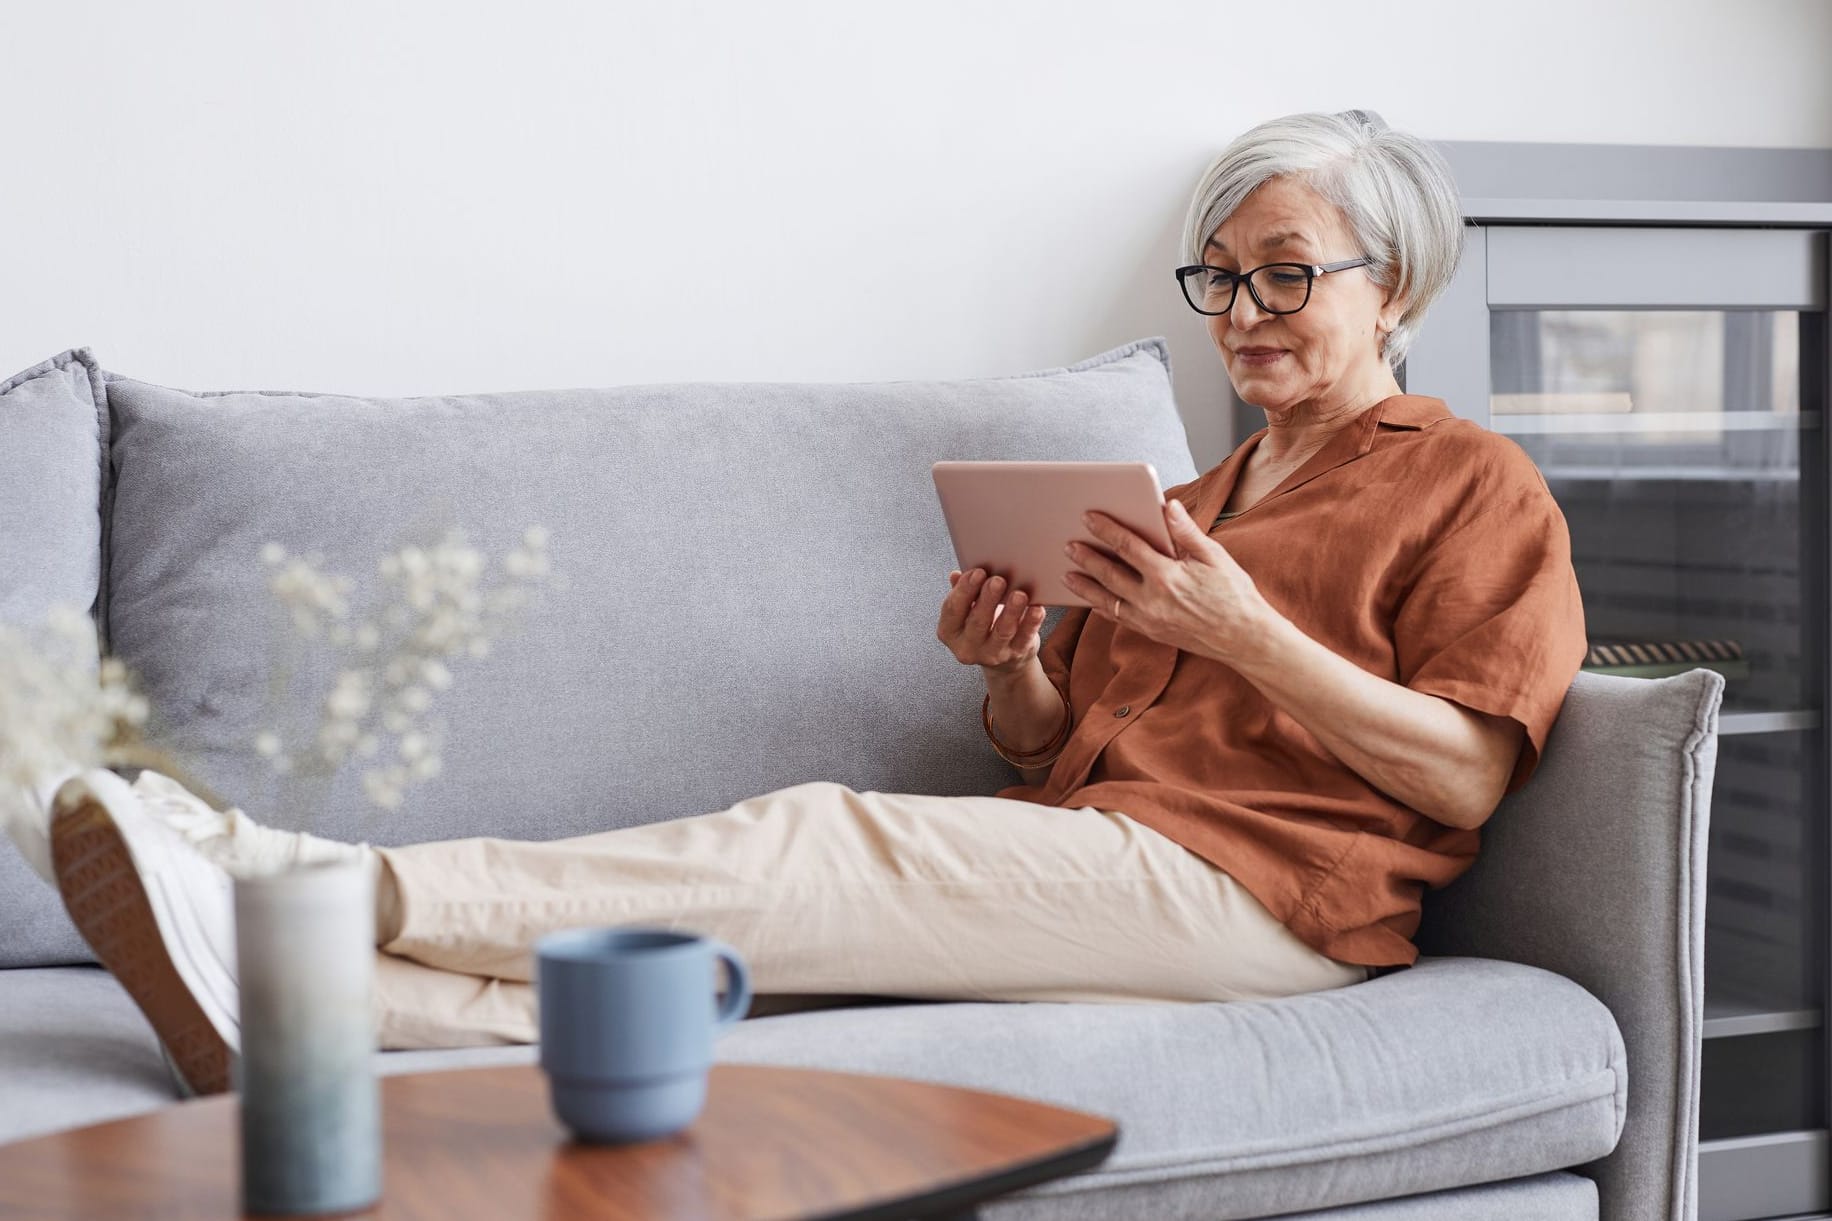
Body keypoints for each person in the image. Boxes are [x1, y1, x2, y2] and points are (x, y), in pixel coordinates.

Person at [43, 108, 1587, 1097]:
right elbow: (1057, 761)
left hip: (1280, 902)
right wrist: (1015, 676)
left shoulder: (1469, 482)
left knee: (820, 835)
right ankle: (301, 1012)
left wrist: (1240, 632)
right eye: (1220, 277)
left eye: (1286, 274)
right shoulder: (1181, 504)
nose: (1242, 312)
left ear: (1398, 287)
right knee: (737, 972)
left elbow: (1463, 767)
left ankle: (285, 879)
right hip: (1110, 854)